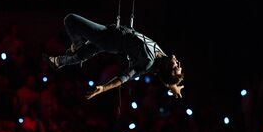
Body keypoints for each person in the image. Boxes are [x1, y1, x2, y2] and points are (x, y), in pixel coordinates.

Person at [44, 13, 184, 99]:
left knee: (70, 20)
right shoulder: (164, 58)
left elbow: (124, 77)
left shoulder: (148, 62)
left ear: (168, 69)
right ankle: (58, 62)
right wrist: (172, 85)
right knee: (82, 54)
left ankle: (77, 45)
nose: (178, 64)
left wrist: (103, 88)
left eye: (177, 67)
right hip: (111, 36)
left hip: (107, 39)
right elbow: (164, 75)